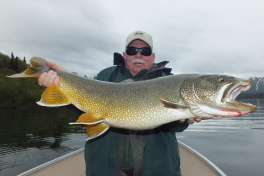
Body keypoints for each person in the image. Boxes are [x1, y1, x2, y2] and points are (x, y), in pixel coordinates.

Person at [38, 30, 201, 176]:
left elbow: (176, 125)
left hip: (157, 169)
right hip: (105, 170)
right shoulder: (105, 76)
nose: (138, 54)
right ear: (124, 55)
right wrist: (63, 81)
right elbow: (84, 109)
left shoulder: (170, 82)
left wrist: (182, 120)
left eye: (145, 51)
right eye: (132, 50)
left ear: (153, 56)